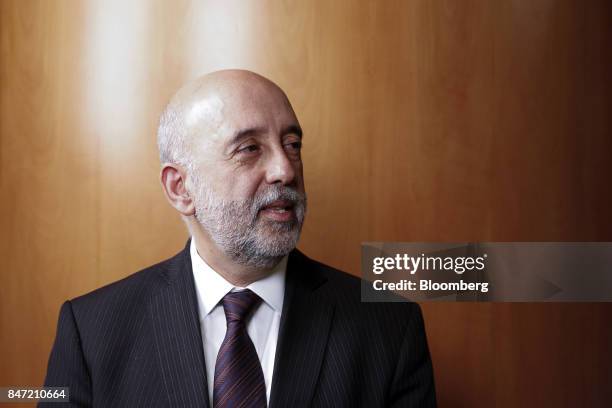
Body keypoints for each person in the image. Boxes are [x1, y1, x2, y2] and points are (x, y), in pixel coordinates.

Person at [41, 70, 436, 407]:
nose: (285, 169)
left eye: (293, 145)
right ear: (181, 188)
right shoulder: (90, 331)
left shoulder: (389, 327)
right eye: (249, 149)